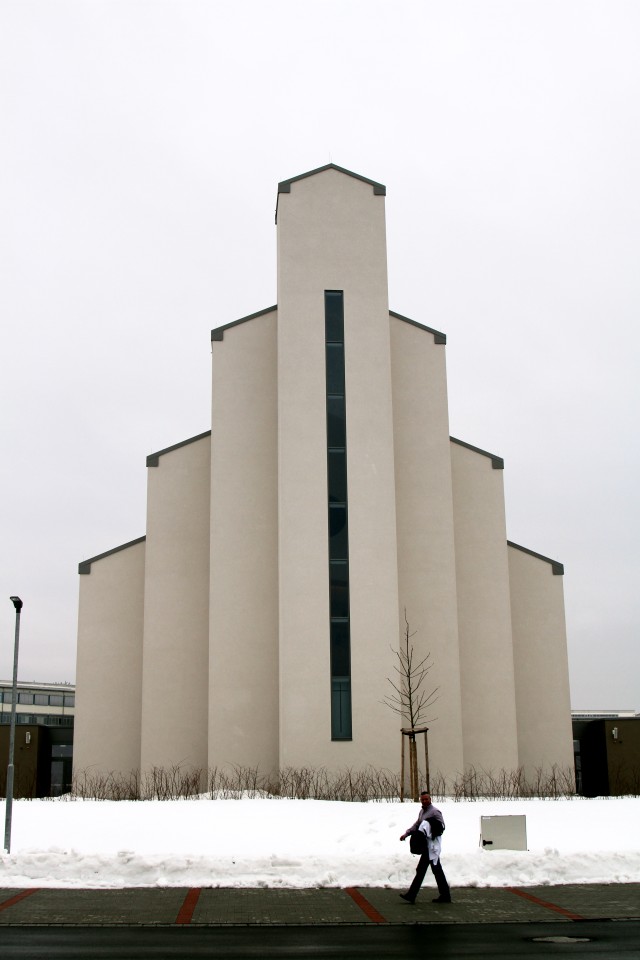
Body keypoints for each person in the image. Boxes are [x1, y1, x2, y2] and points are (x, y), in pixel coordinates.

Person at [399, 790, 451, 904]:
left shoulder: (435, 812)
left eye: (426, 799)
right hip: (427, 846)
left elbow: (442, 827)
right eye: (422, 799)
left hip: (432, 847)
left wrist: (431, 832)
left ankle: (412, 895)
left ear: (430, 799)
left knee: (423, 870)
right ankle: (445, 895)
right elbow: (417, 825)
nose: (424, 801)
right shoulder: (422, 812)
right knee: (435, 870)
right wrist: (407, 834)